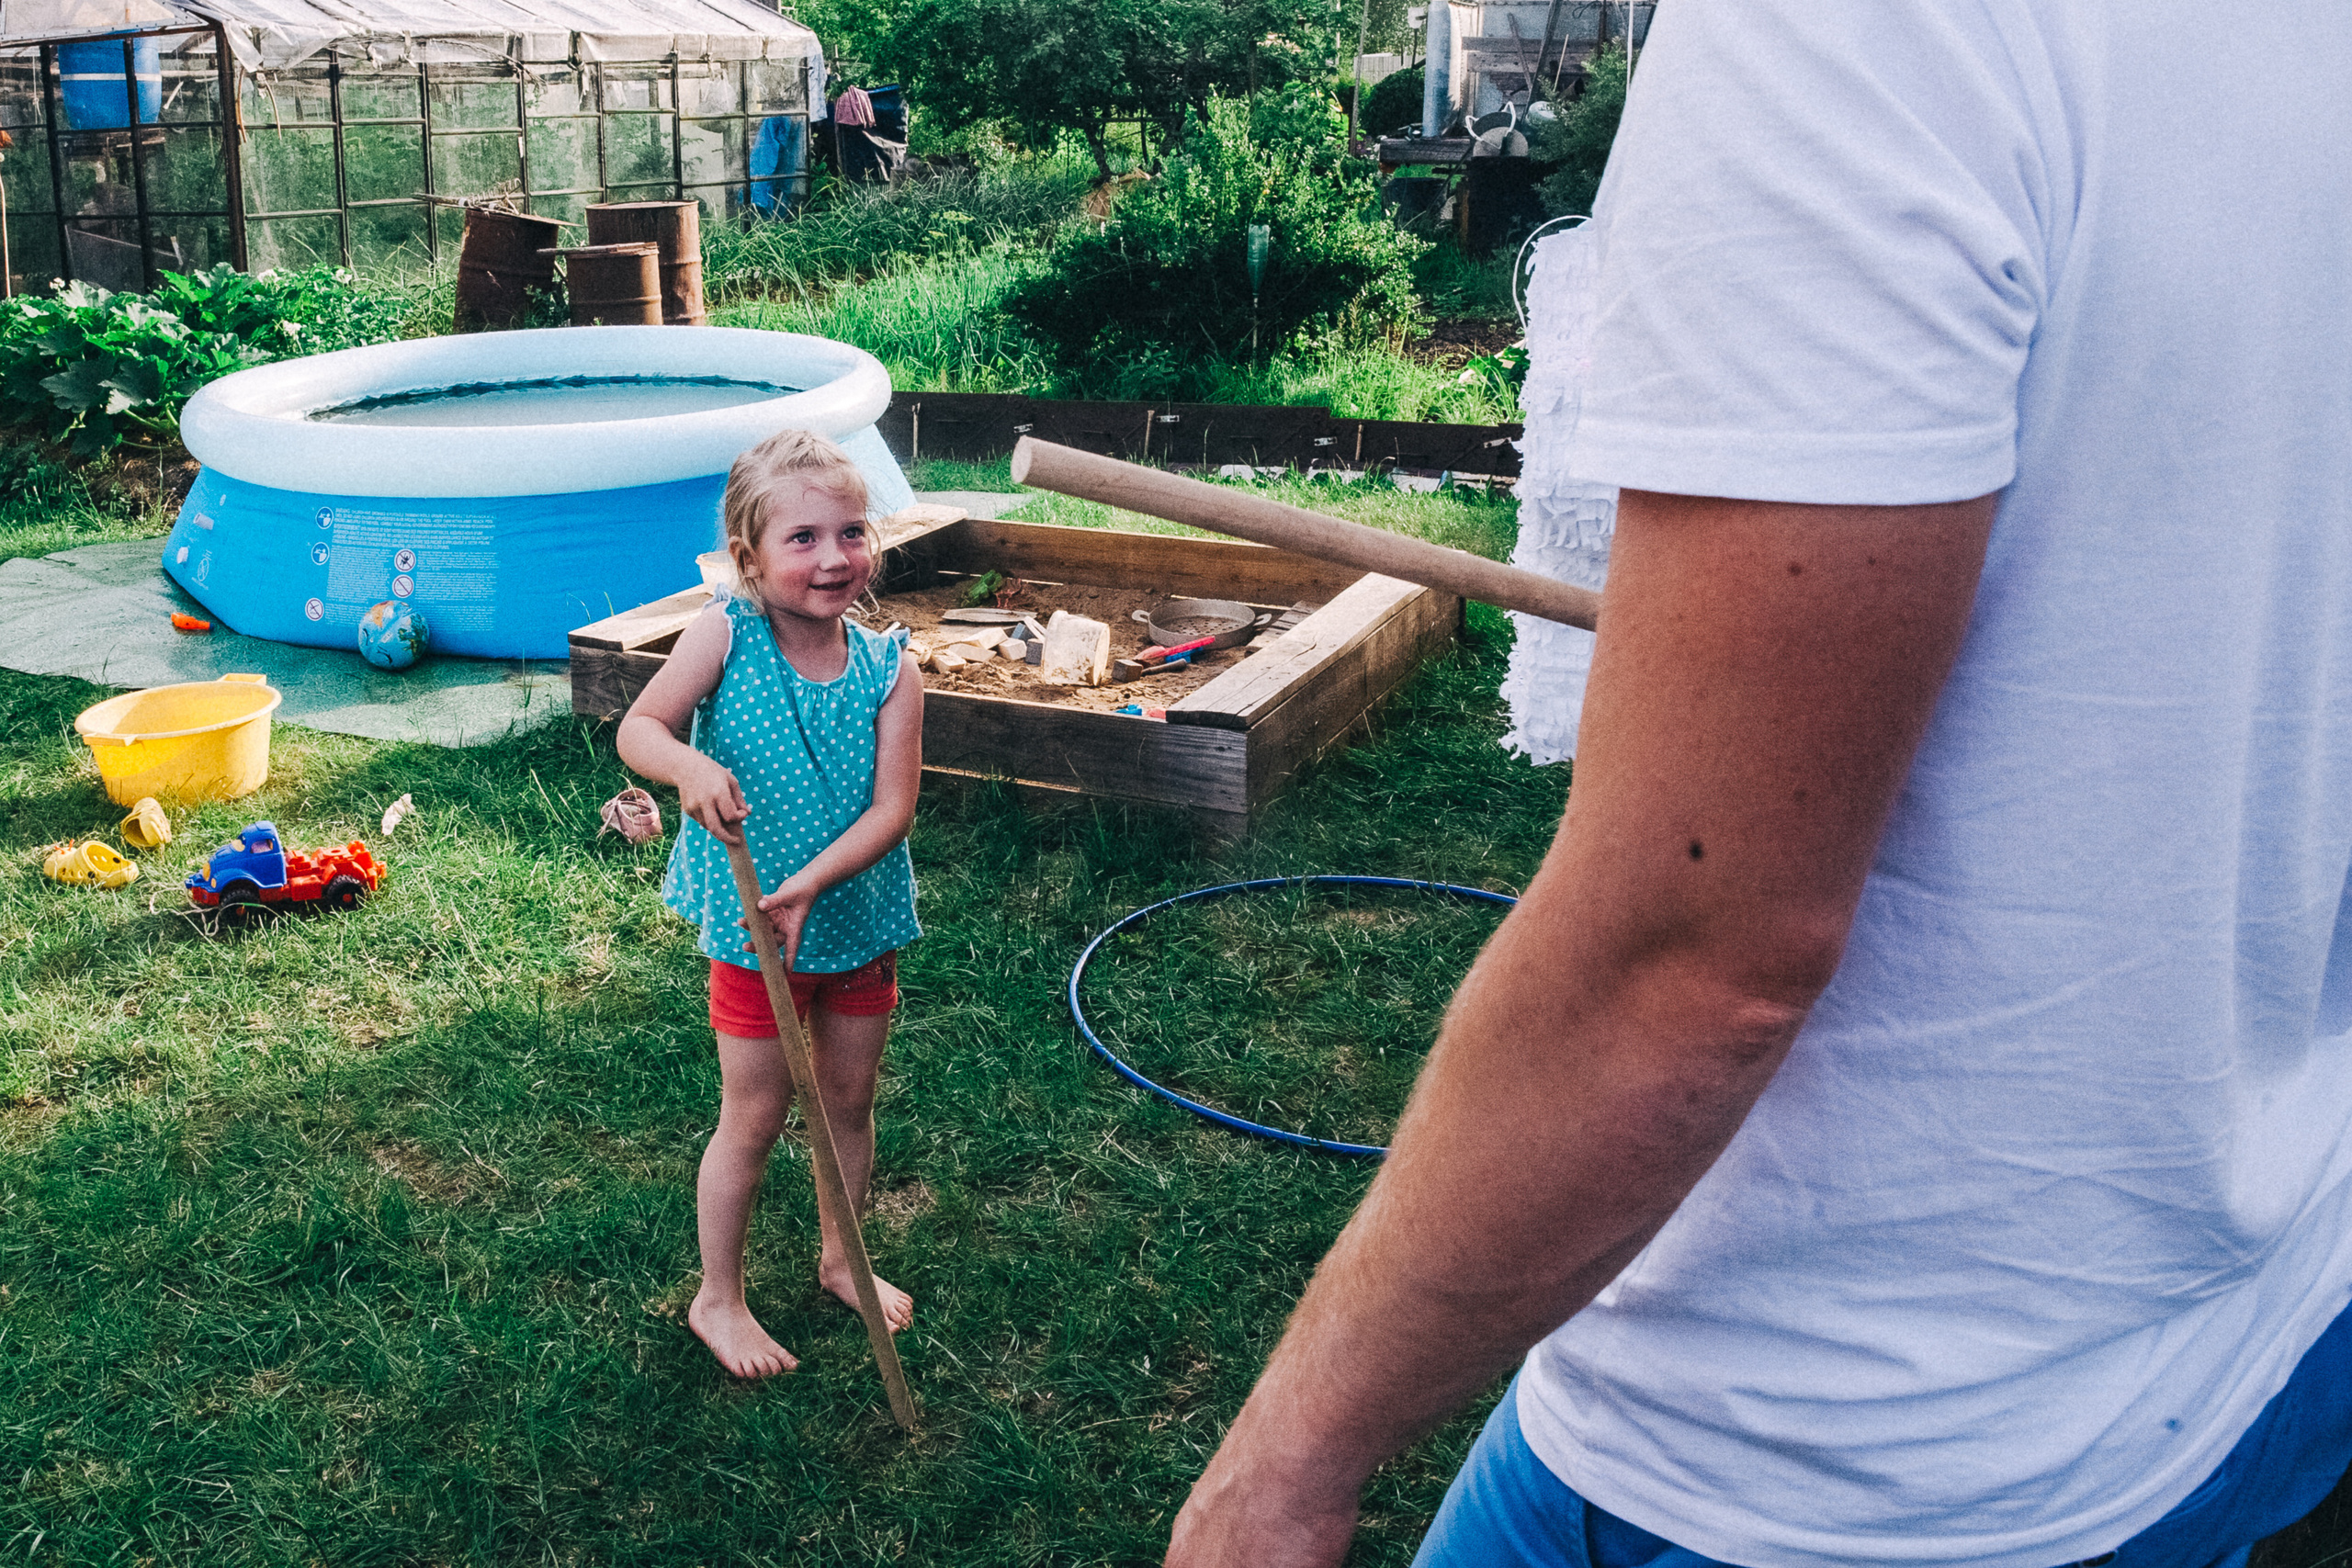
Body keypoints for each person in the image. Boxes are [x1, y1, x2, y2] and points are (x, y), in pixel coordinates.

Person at [1166, 2, 2352, 1565]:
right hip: (2265, 1306)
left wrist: (1284, 1474)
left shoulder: (1851, 34)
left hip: (1838, 1446)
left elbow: (1697, 956)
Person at [617, 428, 923, 1381]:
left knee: (847, 1099)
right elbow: (640, 728)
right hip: (756, 933)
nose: (833, 558)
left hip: (853, 919)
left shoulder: (889, 669)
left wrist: (816, 883)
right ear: (749, 556)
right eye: (802, 538)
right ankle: (719, 1298)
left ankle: (844, 1258)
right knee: (754, 1113)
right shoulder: (723, 634)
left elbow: (893, 808)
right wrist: (688, 766)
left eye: (850, 533)